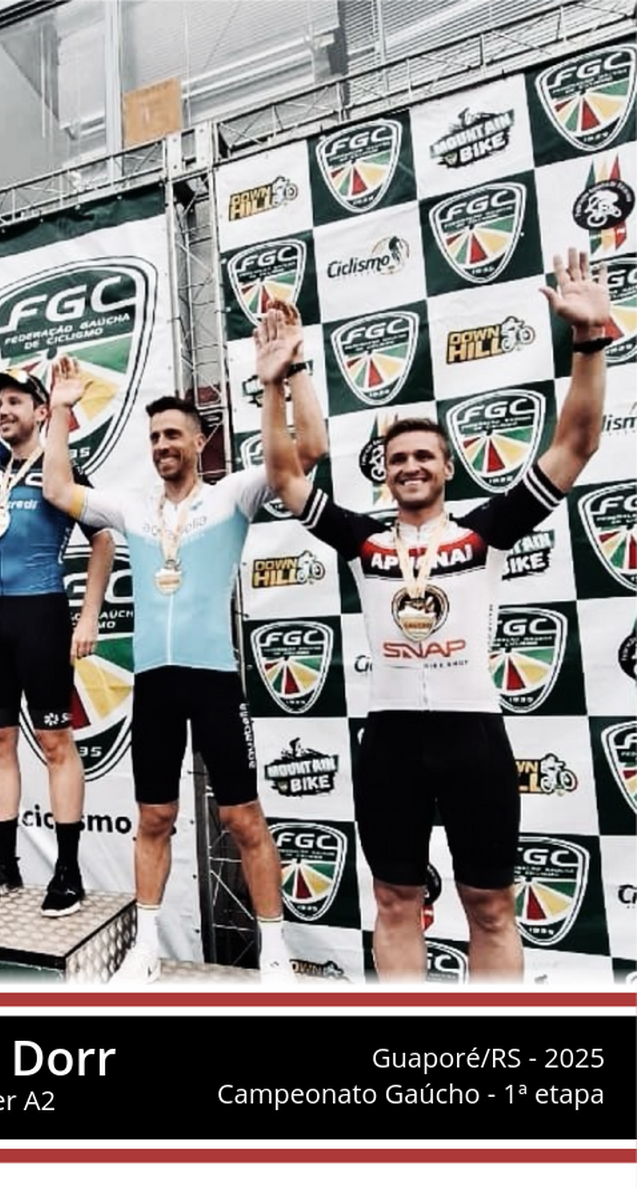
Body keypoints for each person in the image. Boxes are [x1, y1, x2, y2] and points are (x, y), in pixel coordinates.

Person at [253, 248, 611, 982]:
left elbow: (575, 443)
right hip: (389, 742)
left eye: (424, 456)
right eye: (398, 460)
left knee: (491, 906)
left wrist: (587, 340)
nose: (411, 466)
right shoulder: (364, 541)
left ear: (448, 467)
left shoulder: (485, 533)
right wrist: (274, 385)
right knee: (393, 900)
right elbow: (286, 478)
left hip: (473, 737)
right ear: (384, 474)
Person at [41, 304, 327, 982]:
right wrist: (60, 411)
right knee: (154, 817)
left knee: (243, 818)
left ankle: (275, 951)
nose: (162, 444)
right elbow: (55, 488)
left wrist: (292, 371)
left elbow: (310, 450)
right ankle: (145, 947)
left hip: (213, 679)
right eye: (155, 437)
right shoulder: (133, 508)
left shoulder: (233, 495)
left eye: (173, 434)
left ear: (200, 441)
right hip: (156, 685)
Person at [0, 272, 114, 917]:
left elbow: (104, 538)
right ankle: (5, 862)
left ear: (42, 411)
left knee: (57, 743)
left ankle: (67, 870)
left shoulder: (61, 469)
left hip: (41, 614)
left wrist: (88, 616)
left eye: (16, 401)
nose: (3, 410)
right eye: (0, 403)